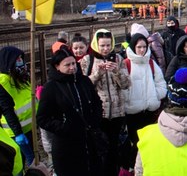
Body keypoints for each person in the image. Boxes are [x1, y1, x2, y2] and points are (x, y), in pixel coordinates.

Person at [37, 46, 103, 176]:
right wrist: (63, 127)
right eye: (67, 65)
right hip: (66, 145)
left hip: (89, 140)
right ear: (57, 66)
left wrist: (95, 120)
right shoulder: (51, 88)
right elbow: (42, 118)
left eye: (74, 63)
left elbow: (96, 103)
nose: (72, 67)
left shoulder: (84, 81)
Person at [80, 29, 131, 176]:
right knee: (99, 148)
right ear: (96, 44)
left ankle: (113, 172)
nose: (105, 49)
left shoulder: (118, 59)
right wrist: (98, 74)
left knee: (114, 148)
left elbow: (126, 84)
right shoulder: (87, 60)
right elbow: (84, 86)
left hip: (117, 112)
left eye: (108, 45)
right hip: (98, 113)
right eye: (102, 45)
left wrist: (116, 72)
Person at [122, 33, 167, 171]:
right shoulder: (126, 64)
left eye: (144, 47)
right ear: (133, 47)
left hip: (150, 112)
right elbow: (122, 86)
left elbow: (161, 83)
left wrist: (156, 96)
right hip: (133, 113)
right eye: (139, 47)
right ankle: (134, 170)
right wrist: (128, 100)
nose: (142, 50)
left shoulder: (151, 63)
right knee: (136, 144)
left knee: (150, 143)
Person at [0, 46, 34, 166]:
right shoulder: (3, 83)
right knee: (31, 159)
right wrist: (18, 133)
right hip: (17, 131)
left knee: (30, 158)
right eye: (17, 59)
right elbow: (7, 111)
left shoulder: (21, 76)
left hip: (30, 127)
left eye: (21, 58)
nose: (21, 62)